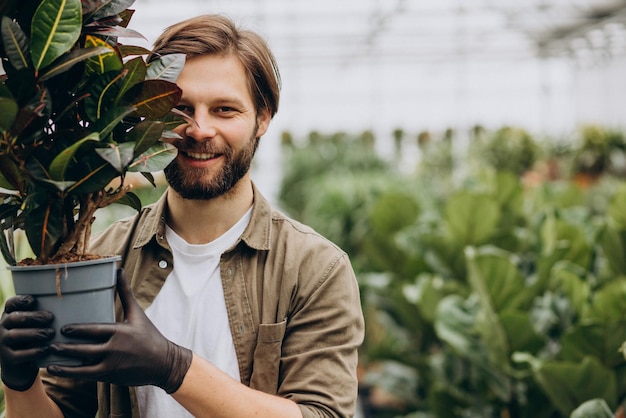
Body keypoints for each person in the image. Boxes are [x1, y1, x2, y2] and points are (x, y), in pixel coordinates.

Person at [0, 14, 364, 418]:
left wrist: (172, 367)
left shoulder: (314, 268)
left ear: (262, 119)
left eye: (225, 109)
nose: (199, 129)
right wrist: (20, 381)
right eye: (180, 108)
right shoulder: (100, 258)